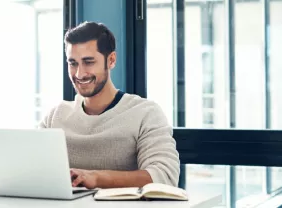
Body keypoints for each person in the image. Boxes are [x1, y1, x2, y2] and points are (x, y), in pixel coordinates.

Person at [39, 21, 180, 189]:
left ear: (111, 60)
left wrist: (97, 178)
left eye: (89, 62)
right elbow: (30, 169)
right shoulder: (55, 117)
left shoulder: (145, 113)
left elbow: (164, 176)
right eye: (73, 63)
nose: (79, 73)